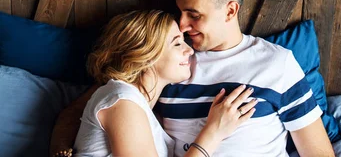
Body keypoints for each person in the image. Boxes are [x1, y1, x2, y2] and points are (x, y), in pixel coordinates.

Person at [156, 0, 335, 157]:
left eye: (194, 15)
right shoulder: (171, 64)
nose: (182, 25)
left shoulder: (277, 64)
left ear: (230, 11)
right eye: (180, 13)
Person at [72, 9, 257, 157]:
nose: (190, 51)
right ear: (144, 56)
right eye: (177, 44)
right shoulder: (121, 101)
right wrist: (213, 133)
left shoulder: (137, 105)